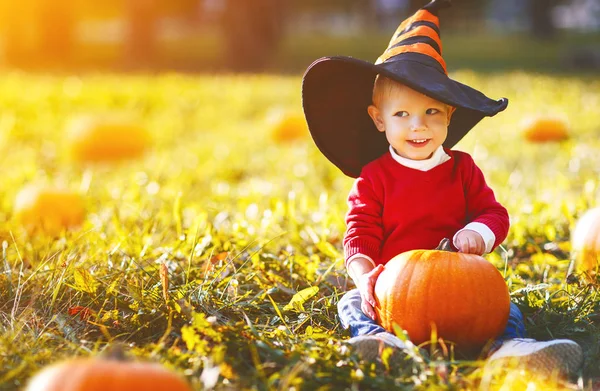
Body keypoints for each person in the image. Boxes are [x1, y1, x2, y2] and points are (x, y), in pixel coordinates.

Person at [302, 0, 583, 379]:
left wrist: (477, 232)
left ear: (450, 115)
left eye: (432, 112)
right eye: (402, 114)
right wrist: (364, 274)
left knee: (504, 305)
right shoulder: (374, 177)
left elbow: (494, 214)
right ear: (378, 119)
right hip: (393, 291)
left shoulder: (462, 169)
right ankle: (383, 344)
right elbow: (360, 231)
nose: (418, 126)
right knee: (351, 302)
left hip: (462, 287)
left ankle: (510, 349)